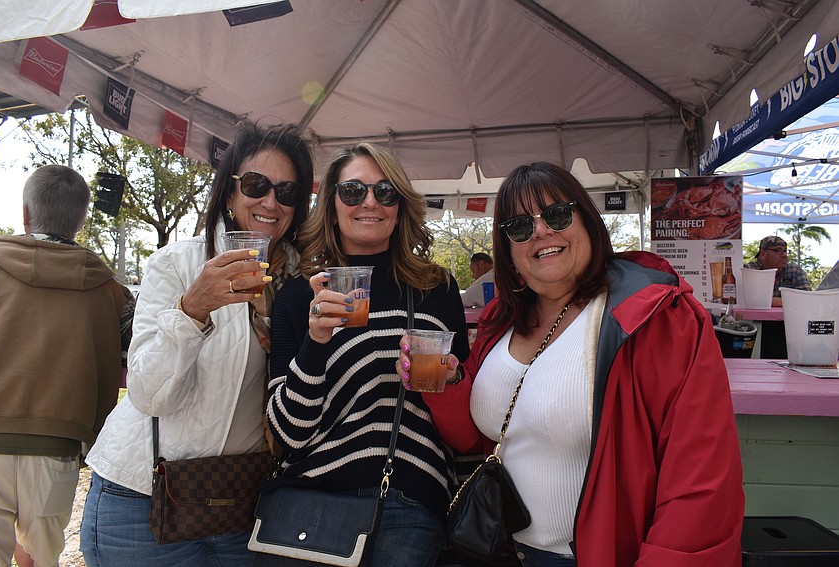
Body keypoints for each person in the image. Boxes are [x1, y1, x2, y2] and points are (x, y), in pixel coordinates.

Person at [400, 162, 744, 567]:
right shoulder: (501, 320)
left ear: (588, 220)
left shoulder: (659, 317)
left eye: (557, 214)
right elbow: (475, 438)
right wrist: (445, 381)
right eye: (520, 227)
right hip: (499, 549)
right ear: (508, 251)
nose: (541, 231)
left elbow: (700, 482)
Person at [80, 122, 314, 566]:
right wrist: (192, 310)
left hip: (238, 500)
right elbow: (148, 394)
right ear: (229, 192)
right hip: (144, 498)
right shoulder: (178, 263)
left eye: (286, 192)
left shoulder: (302, 283)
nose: (270, 201)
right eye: (256, 185)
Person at [267, 142, 470, 567]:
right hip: (314, 497)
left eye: (386, 192)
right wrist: (315, 342)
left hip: (410, 494)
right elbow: (289, 436)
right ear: (332, 203)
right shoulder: (299, 295)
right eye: (353, 191)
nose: (370, 203)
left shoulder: (437, 289)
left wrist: (448, 380)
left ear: (400, 205)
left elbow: (465, 411)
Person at [0, 165, 132, 567]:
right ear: (81, 218)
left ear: (25, 212)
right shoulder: (109, 289)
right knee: (43, 558)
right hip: (58, 446)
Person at [744, 235, 811, 307]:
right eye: (779, 251)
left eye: (785, 251)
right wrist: (788, 301)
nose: (785, 255)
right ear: (763, 254)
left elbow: (808, 300)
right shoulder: (749, 271)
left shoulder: (794, 271)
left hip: (788, 318)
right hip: (753, 318)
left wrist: (767, 301)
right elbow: (742, 300)